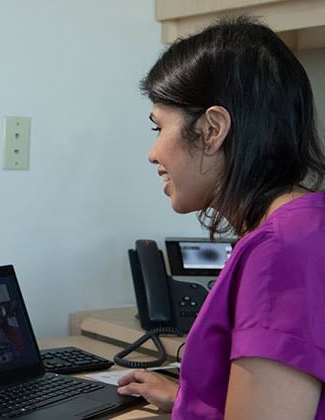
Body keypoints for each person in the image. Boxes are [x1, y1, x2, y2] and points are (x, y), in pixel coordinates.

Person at [116, 16, 325, 418]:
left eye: (158, 128)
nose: (153, 153)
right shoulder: (306, 223)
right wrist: (190, 400)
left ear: (212, 129)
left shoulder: (280, 254)